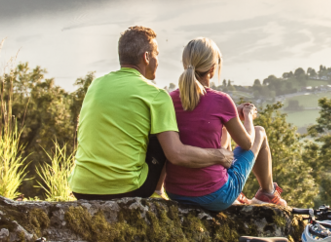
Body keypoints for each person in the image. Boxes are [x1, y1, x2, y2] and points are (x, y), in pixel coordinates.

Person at [72, 25, 234, 200]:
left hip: (81, 188)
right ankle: (157, 192)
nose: (158, 61)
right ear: (146, 57)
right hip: (126, 189)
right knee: (164, 136)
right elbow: (176, 154)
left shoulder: (96, 85)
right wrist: (220, 156)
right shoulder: (156, 95)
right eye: (156, 55)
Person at [164, 37, 288, 212]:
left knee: (224, 132)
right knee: (259, 132)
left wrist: (228, 119)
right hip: (216, 196)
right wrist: (248, 116)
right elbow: (247, 143)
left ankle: (252, 193)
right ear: (213, 69)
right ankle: (268, 192)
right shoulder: (221, 100)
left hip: (176, 192)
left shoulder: (169, 99)